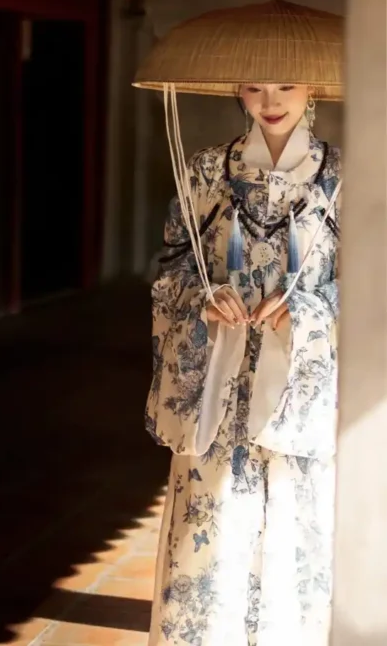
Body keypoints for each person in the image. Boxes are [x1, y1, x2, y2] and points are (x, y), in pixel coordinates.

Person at [146, 79, 341, 646]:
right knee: (209, 532)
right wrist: (203, 301)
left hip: (299, 388)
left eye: (285, 86)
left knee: (296, 534)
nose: (270, 101)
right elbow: (172, 269)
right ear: (237, 90)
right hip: (218, 382)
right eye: (254, 87)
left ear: (312, 88)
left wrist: (307, 311)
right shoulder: (206, 171)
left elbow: (370, 282)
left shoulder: (343, 177)